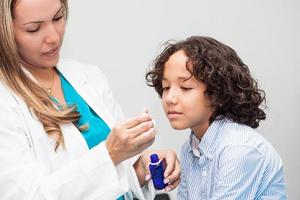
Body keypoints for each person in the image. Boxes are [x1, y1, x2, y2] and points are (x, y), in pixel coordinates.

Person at [0, 0, 180, 199]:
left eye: (58, 18)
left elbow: (115, 181)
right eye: (34, 29)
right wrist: (110, 153)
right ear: (6, 32)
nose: (53, 37)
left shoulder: (88, 77)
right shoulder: (6, 102)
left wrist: (143, 167)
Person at [146, 36, 287, 199]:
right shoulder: (190, 149)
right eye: (166, 87)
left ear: (218, 93)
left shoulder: (238, 149)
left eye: (185, 87)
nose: (170, 98)